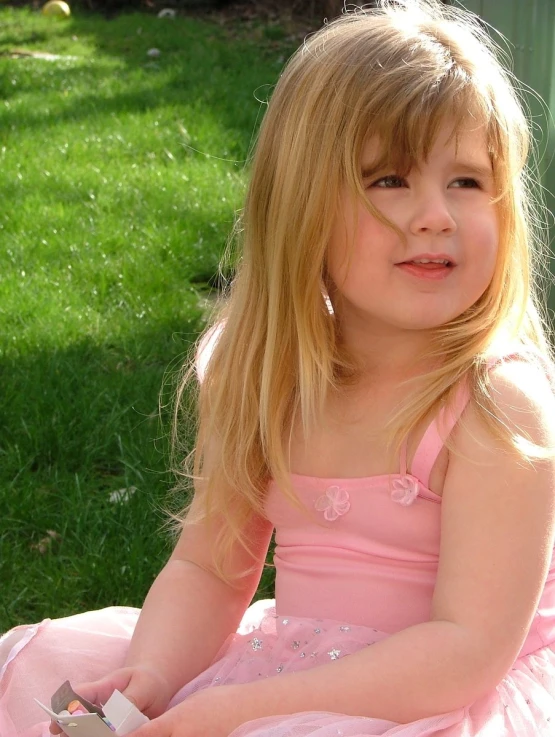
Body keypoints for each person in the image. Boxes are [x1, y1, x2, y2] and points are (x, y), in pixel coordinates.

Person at [2, 0, 555, 735]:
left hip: (432, 695)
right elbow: (209, 568)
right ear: (299, 205)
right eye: (388, 180)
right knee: (27, 677)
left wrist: (242, 705)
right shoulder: (265, 375)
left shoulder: (495, 405)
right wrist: (158, 674)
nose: (435, 215)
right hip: (294, 671)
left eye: (464, 181)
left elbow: (466, 651)